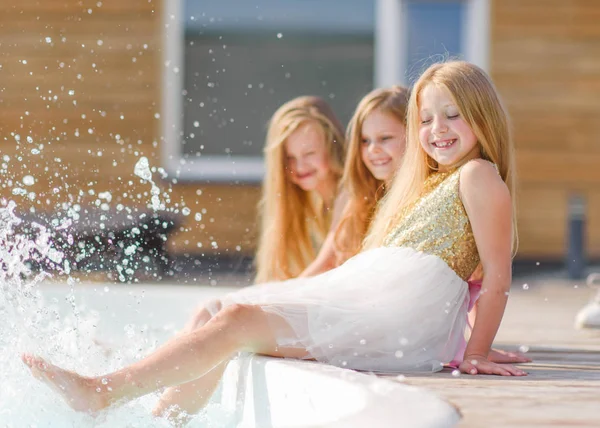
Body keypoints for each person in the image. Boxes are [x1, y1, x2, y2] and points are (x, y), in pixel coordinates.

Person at [22, 60, 527, 417]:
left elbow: (497, 277)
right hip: (374, 295)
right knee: (229, 318)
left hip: (393, 312)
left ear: (482, 115)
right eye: (425, 118)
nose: (438, 128)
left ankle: (102, 391)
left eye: (453, 114)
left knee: (237, 320)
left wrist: (476, 352)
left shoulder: (478, 175)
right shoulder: (435, 181)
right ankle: (160, 417)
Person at [301, 85, 409, 277]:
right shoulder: (360, 197)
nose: (372, 149)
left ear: (412, 135)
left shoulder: (423, 197)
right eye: (365, 141)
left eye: (385, 138)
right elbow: (328, 262)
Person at [254, 96, 346, 283]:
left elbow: (330, 262)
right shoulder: (313, 201)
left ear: (332, 147)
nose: (300, 166)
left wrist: (279, 296)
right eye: (290, 158)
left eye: (309, 153)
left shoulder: (350, 191)